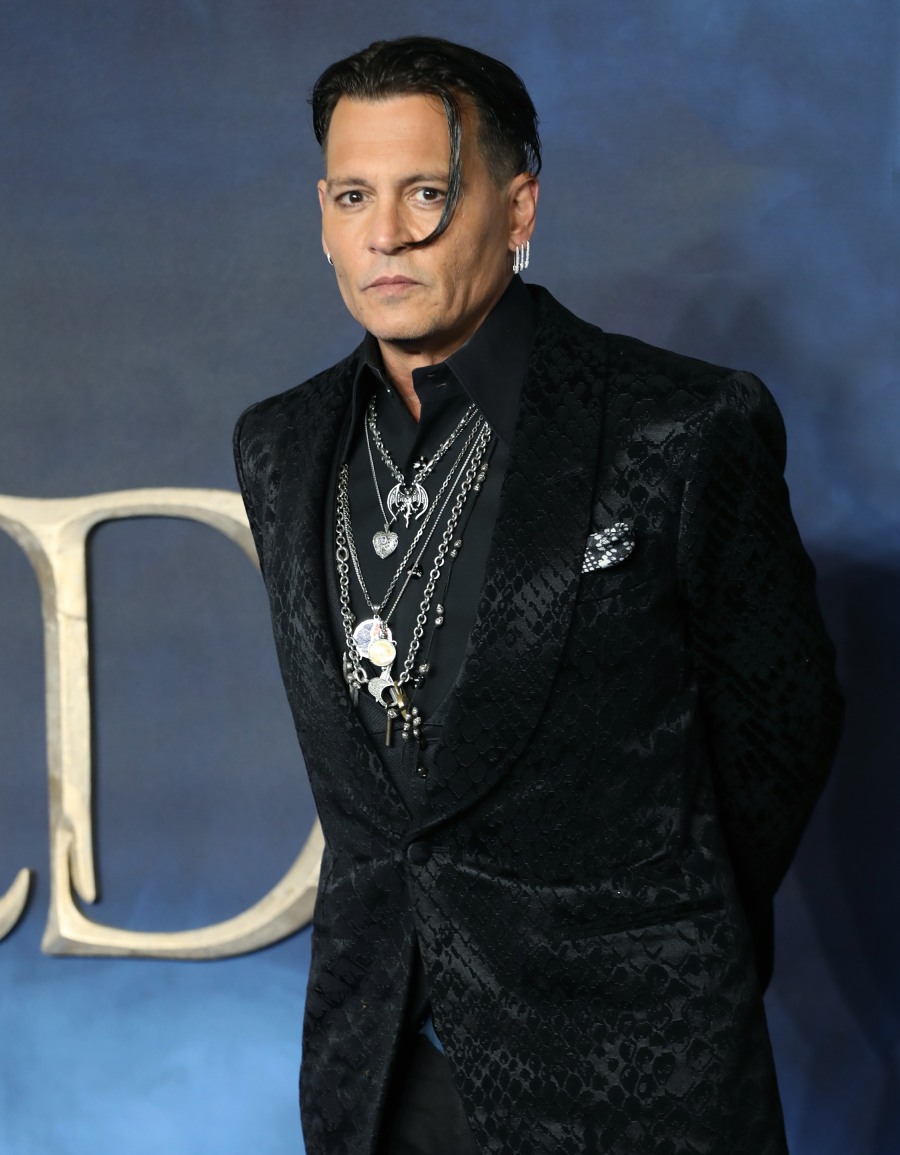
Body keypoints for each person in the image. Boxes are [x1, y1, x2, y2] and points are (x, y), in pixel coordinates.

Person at [234, 36, 842, 1155]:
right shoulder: (280, 443)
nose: (386, 234)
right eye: (355, 196)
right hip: (378, 1070)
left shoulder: (677, 425)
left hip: (632, 1067)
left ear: (517, 209)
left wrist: (656, 940)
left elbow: (781, 728)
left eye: (427, 193)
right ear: (323, 214)